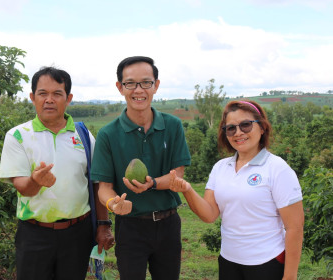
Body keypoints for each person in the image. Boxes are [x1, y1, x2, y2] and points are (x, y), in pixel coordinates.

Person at [0, 66, 114, 280]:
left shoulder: (84, 135)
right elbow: (23, 188)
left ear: (68, 98)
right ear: (33, 97)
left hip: (77, 233)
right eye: (43, 93)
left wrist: (103, 225)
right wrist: (36, 181)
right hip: (34, 234)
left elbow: (97, 183)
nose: (49, 100)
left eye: (57, 94)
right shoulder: (17, 136)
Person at [169, 100, 304, 280]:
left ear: (262, 128)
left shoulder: (277, 169)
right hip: (228, 261)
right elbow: (209, 215)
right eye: (231, 128)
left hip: (267, 262)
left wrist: (290, 277)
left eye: (246, 125)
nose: (238, 132)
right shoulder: (220, 168)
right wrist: (187, 189)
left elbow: (294, 227)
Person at [90, 56, 191, 280]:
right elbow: (104, 187)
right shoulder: (108, 134)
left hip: (168, 223)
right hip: (130, 226)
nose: (139, 90)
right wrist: (113, 203)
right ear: (120, 87)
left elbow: (178, 175)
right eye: (130, 83)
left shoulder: (172, 126)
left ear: (156, 85)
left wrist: (152, 184)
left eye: (146, 82)